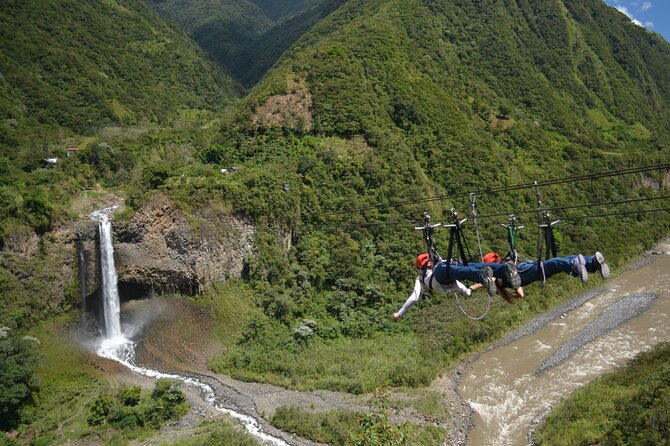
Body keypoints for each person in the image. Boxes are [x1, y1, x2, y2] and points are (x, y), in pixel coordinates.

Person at [392, 253, 508, 320]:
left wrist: (400, 312)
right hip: (449, 266)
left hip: (442, 273)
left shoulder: (421, 278)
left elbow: (414, 297)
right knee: (469, 268)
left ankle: (487, 275)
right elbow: (461, 288)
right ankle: (502, 268)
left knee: (465, 271)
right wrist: (467, 292)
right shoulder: (427, 273)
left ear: (420, 268)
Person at [471, 251, 610, 301]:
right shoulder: (497, 277)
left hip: (531, 274)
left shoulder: (502, 278)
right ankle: (576, 264)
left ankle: (591, 264)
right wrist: (471, 288)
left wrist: (512, 294)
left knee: (560, 261)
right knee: (555, 263)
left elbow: (520, 293)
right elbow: (485, 281)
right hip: (529, 271)